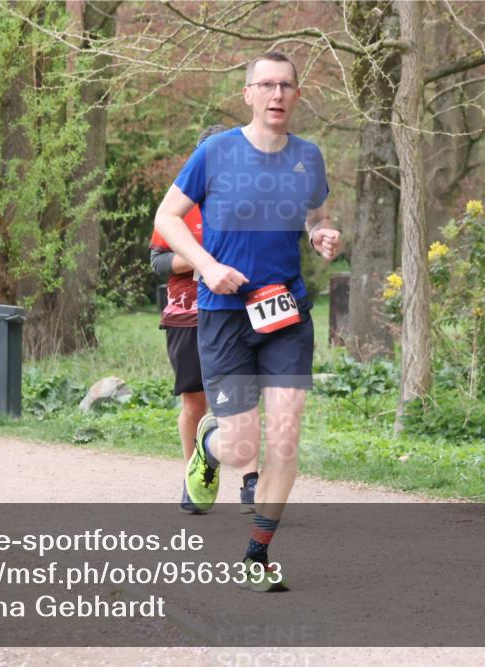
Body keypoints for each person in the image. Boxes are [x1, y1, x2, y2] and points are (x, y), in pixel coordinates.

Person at [153, 51, 342, 592]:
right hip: (224, 317)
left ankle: (256, 555)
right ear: (248, 94)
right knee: (241, 448)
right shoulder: (216, 152)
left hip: (285, 312)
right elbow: (166, 218)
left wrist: (324, 235)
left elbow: (316, 217)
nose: (277, 94)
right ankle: (212, 447)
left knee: (285, 434)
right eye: (266, 85)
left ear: (297, 95)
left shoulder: (308, 158)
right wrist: (208, 266)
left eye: (286, 86)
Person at [148, 124, 259, 515]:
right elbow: (157, 262)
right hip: (188, 315)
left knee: (240, 398)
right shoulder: (179, 207)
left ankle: (251, 482)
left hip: (237, 313)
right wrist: (200, 258)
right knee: (195, 400)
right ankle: (196, 476)